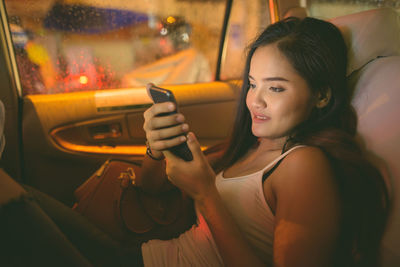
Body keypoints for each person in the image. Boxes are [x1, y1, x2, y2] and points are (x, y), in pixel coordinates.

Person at [0, 17, 389, 267]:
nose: (256, 100)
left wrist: (206, 194)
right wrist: (157, 147)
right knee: (15, 194)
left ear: (321, 96)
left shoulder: (304, 164)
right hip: (138, 256)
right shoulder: (252, 145)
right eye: (252, 84)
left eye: (276, 88)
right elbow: (149, 188)